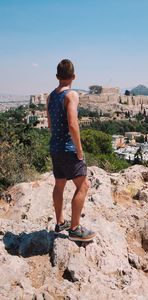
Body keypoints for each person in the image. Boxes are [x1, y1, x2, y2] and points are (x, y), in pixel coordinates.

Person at [46, 59, 96, 242]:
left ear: (57, 76)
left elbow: (51, 124)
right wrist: (79, 149)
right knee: (83, 186)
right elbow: (73, 125)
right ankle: (75, 229)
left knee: (59, 184)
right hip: (68, 149)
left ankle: (60, 222)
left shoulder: (50, 96)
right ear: (73, 76)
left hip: (55, 147)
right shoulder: (71, 95)